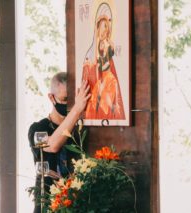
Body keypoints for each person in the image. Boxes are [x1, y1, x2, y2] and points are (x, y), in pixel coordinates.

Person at [28, 72, 91, 213]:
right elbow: (53, 145)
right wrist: (77, 109)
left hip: (74, 204)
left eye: (73, 100)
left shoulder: (80, 130)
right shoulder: (37, 129)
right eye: (65, 99)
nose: (70, 105)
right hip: (47, 204)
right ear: (51, 97)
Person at [82, 3, 125, 120]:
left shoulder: (107, 47)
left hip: (107, 84)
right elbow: (88, 74)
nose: (105, 31)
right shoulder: (90, 53)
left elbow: (109, 68)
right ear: (97, 27)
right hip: (97, 89)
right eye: (103, 26)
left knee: (112, 82)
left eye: (107, 27)